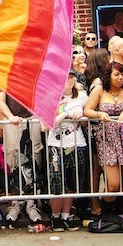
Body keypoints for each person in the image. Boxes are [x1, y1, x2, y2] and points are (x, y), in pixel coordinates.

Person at [84, 62, 123, 216]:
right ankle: (106, 213)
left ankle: (120, 214)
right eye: (116, 74)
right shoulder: (100, 90)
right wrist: (99, 114)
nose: (120, 78)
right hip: (106, 138)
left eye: (122, 74)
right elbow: (87, 110)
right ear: (108, 75)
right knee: (113, 182)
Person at [43, 70, 88, 231]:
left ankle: (66, 215)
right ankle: (55, 217)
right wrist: (66, 114)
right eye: (64, 78)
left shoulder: (81, 96)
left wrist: (81, 115)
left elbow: (86, 122)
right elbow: (44, 126)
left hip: (77, 143)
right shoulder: (50, 97)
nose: (68, 80)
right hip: (56, 145)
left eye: (70, 77)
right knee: (57, 183)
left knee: (72, 182)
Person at [0, 91, 44, 225]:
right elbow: (1, 101)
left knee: (33, 159)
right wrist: (10, 116)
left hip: (32, 118)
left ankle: (31, 203)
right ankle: (15, 203)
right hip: (12, 121)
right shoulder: (5, 74)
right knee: (12, 161)